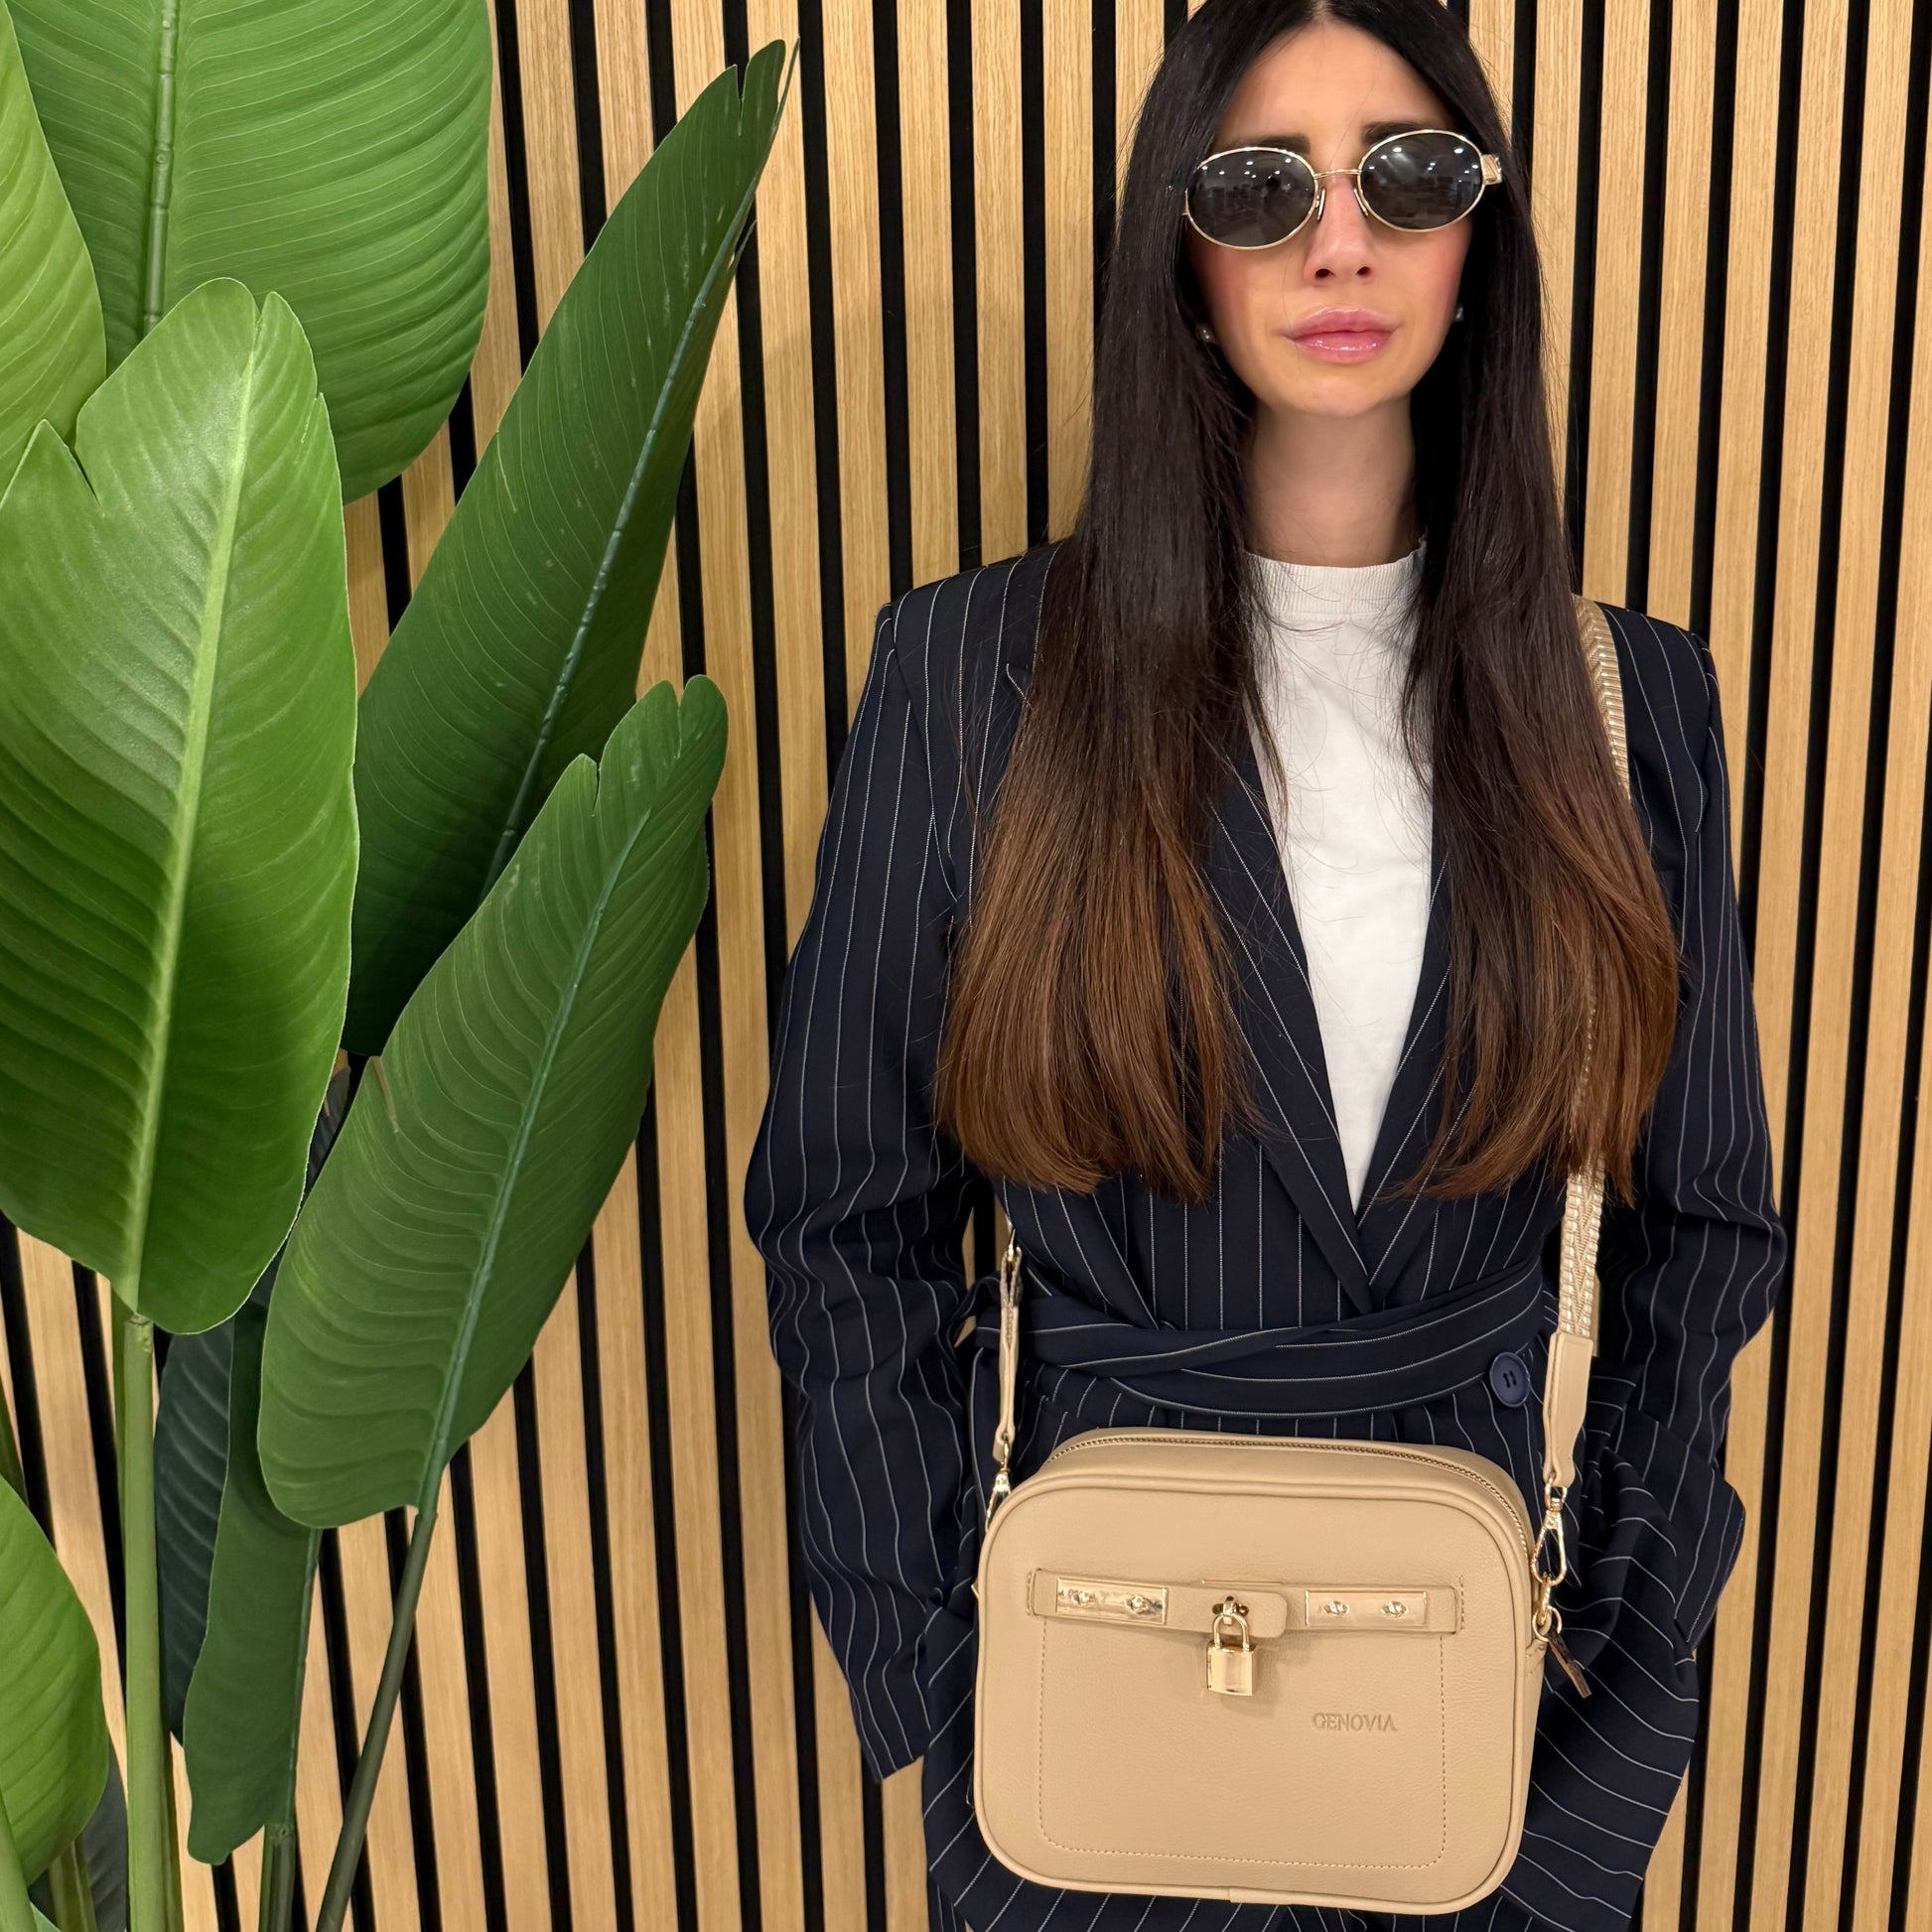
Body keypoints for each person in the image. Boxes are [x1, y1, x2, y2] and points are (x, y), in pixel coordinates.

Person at [744, 1, 1788, 1927]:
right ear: (1180, 247)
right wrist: (936, 1682)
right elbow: (844, 1216)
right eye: (1259, 186)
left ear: (1479, 234)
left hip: (1503, 1723)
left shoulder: (1626, 706)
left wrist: (1621, 1697)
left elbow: (1702, 1226)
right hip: (1079, 1709)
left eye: (1407, 171)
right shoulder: (974, 678)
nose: (1339, 239)